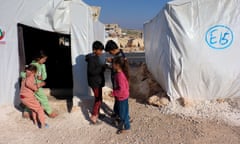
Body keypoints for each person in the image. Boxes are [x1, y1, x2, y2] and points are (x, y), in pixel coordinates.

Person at [21, 50, 58, 118]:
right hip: (34, 87)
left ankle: (26, 112)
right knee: (43, 98)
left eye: (45, 59)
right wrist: (28, 75)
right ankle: (49, 112)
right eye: (44, 59)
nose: (45, 61)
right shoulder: (32, 65)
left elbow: (44, 77)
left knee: (31, 99)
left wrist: (41, 76)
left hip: (37, 86)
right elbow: (22, 74)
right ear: (38, 58)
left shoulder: (42, 66)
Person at [105, 40, 126, 119]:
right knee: (117, 97)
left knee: (118, 96)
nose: (110, 54)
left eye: (110, 52)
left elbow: (118, 68)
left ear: (113, 50)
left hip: (118, 80)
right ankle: (116, 112)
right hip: (117, 79)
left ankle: (121, 116)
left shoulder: (120, 56)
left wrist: (109, 65)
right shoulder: (120, 54)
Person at [85, 41, 105, 124]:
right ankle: (94, 116)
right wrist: (102, 68)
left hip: (97, 82)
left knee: (100, 98)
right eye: (99, 50)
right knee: (98, 99)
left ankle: (97, 113)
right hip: (95, 83)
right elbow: (91, 71)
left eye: (101, 50)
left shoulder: (95, 57)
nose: (101, 52)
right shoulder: (92, 59)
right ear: (94, 50)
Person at [110, 56, 130, 134]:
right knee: (123, 111)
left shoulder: (119, 76)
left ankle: (127, 127)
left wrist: (114, 93)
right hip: (123, 96)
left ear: (117, 65)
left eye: (113, 64)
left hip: (122, 97)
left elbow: (122, 89)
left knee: (123, 114)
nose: (112, 65)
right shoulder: (121, 73)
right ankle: (121, 122)